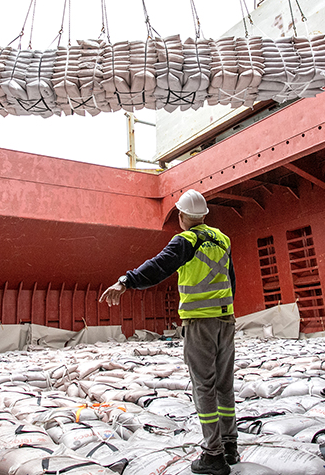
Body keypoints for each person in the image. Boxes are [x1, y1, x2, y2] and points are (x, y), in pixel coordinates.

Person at [99, 189, 238, 474]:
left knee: (204, 387)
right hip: (226, 320)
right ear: (205, 215)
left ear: (183, 215)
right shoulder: (223, 239)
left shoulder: (185, 240)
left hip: (200, 323)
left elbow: (158, 267)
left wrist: (125, 281)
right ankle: (230, 445)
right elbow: (231, 279)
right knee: (224, 385)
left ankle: (213, 455)